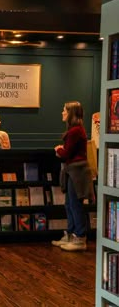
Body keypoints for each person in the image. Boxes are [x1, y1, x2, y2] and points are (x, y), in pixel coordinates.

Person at [52, 101, 95, 251]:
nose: (62, 113)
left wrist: (59, 150)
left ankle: (79, 238)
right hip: (73, 170)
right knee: (69, 204)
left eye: (64, 110)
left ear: (71, 113)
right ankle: (71, 234)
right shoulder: (75, 130)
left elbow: (67, 153)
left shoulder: (76, 130)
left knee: (75, 205)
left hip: (77, 171)